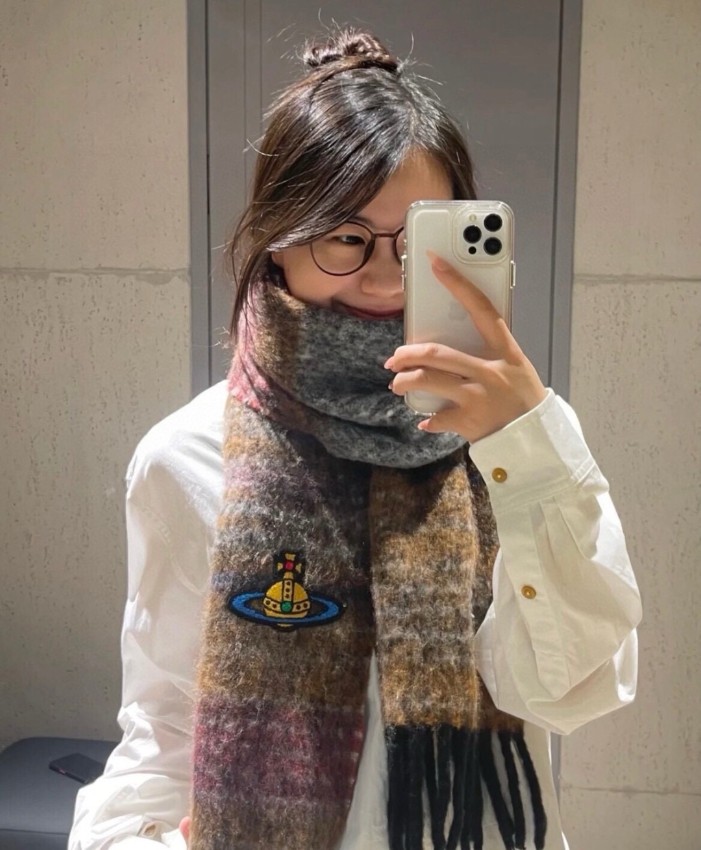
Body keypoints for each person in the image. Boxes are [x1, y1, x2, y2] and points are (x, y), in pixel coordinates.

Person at [69, 28, 641, 850]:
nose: (381, 275)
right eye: (344, 236)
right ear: (279, 238)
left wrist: (530, 451)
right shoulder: (188, 456)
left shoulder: (520, 448)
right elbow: (162, 731)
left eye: (418, 241)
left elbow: (574, 691)